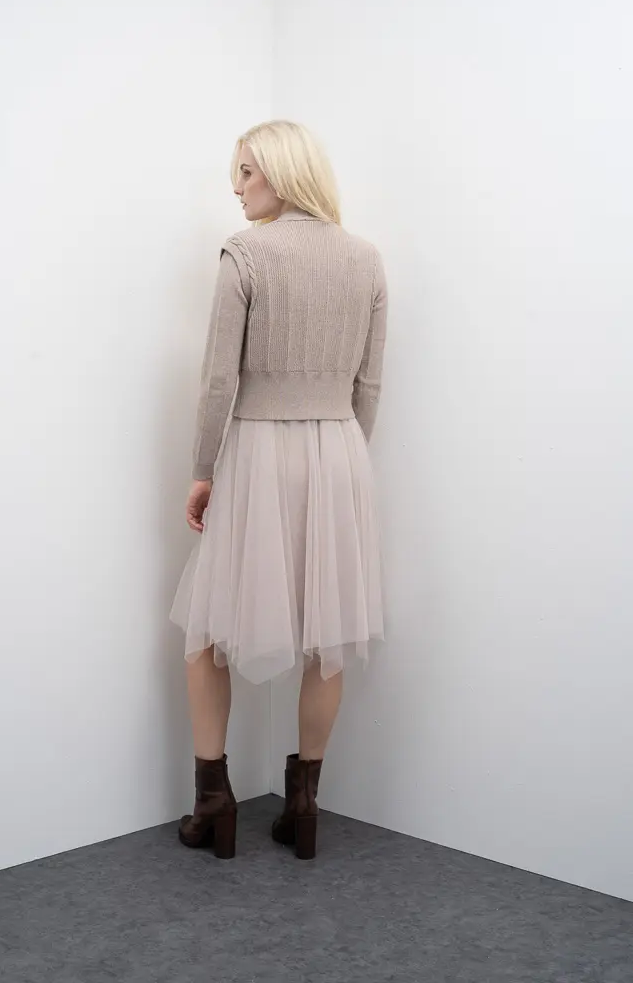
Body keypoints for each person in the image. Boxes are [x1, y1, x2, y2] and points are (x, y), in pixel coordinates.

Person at [169, 120, 388, 860]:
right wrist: (343, 459)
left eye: (247, 172)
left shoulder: (246, 254)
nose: (235, 188)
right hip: (340, 452)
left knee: (207, 631)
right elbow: (369, 385)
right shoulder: (366, 259)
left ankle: (213, 802)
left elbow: (219, 379)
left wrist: (203, 469)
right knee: (328, 637)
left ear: (283, 174)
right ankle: (303, 808)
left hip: (258, 450)